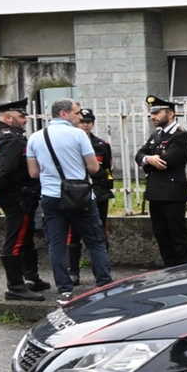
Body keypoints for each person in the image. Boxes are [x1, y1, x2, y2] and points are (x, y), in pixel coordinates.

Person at [26, 98, 112, 303]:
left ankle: (64, 291)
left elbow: (33, 172)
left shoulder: (36, 137)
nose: (80, 116)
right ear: (63, 114)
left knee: (56, 244)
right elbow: (94, 168)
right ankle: (105, 284)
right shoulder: (78, 135)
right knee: (96, 241)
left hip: (51, 196)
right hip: (80, 196)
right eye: (76, 113)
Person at [0, 99, 51, 301]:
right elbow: (6, 170)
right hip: (18, 195)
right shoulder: (10, 138)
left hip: (13, 193)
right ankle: (16, 287)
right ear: (8, 118)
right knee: (17, 239)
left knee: (26, 235)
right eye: (21, 116)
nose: (25, 119)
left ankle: (32, 278)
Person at [135, 95, 187, 268]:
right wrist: (148, 159)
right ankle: (169, 267)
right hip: (155, 192)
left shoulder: (181, 136)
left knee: (177, 234)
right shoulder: (156, 136)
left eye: (157, 113)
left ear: (170, 114)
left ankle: (184, 268)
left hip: (172, 192)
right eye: (151, 113)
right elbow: (138, 155)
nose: (152, 117)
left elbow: (167, 162)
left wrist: (148, 161)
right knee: (161, 233)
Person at [67, 108, 114, 288]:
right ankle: (73, 271)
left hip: (98, 192)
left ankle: (102, 271)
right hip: (76, 192)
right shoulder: (70, 142)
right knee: (74, 233)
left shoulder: (102, 144)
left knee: (100, 232)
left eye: (88, 122)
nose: (85, 125)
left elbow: (107, 168)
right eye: (82, 121)